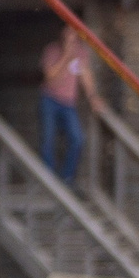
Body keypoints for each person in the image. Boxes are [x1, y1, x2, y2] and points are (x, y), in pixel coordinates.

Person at [38, 31, 100, 184]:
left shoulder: (81, 53)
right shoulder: (52, 50)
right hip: (49, 100)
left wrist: (93, 97)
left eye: (74, 37)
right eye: (67, 37)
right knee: (48, 139)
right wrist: (66, 56)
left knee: (77, 139)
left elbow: (85, 75)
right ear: (62, 37)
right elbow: (50, 78)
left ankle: (67, 179)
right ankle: (49, 181)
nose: (71, 41)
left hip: (68, 104)